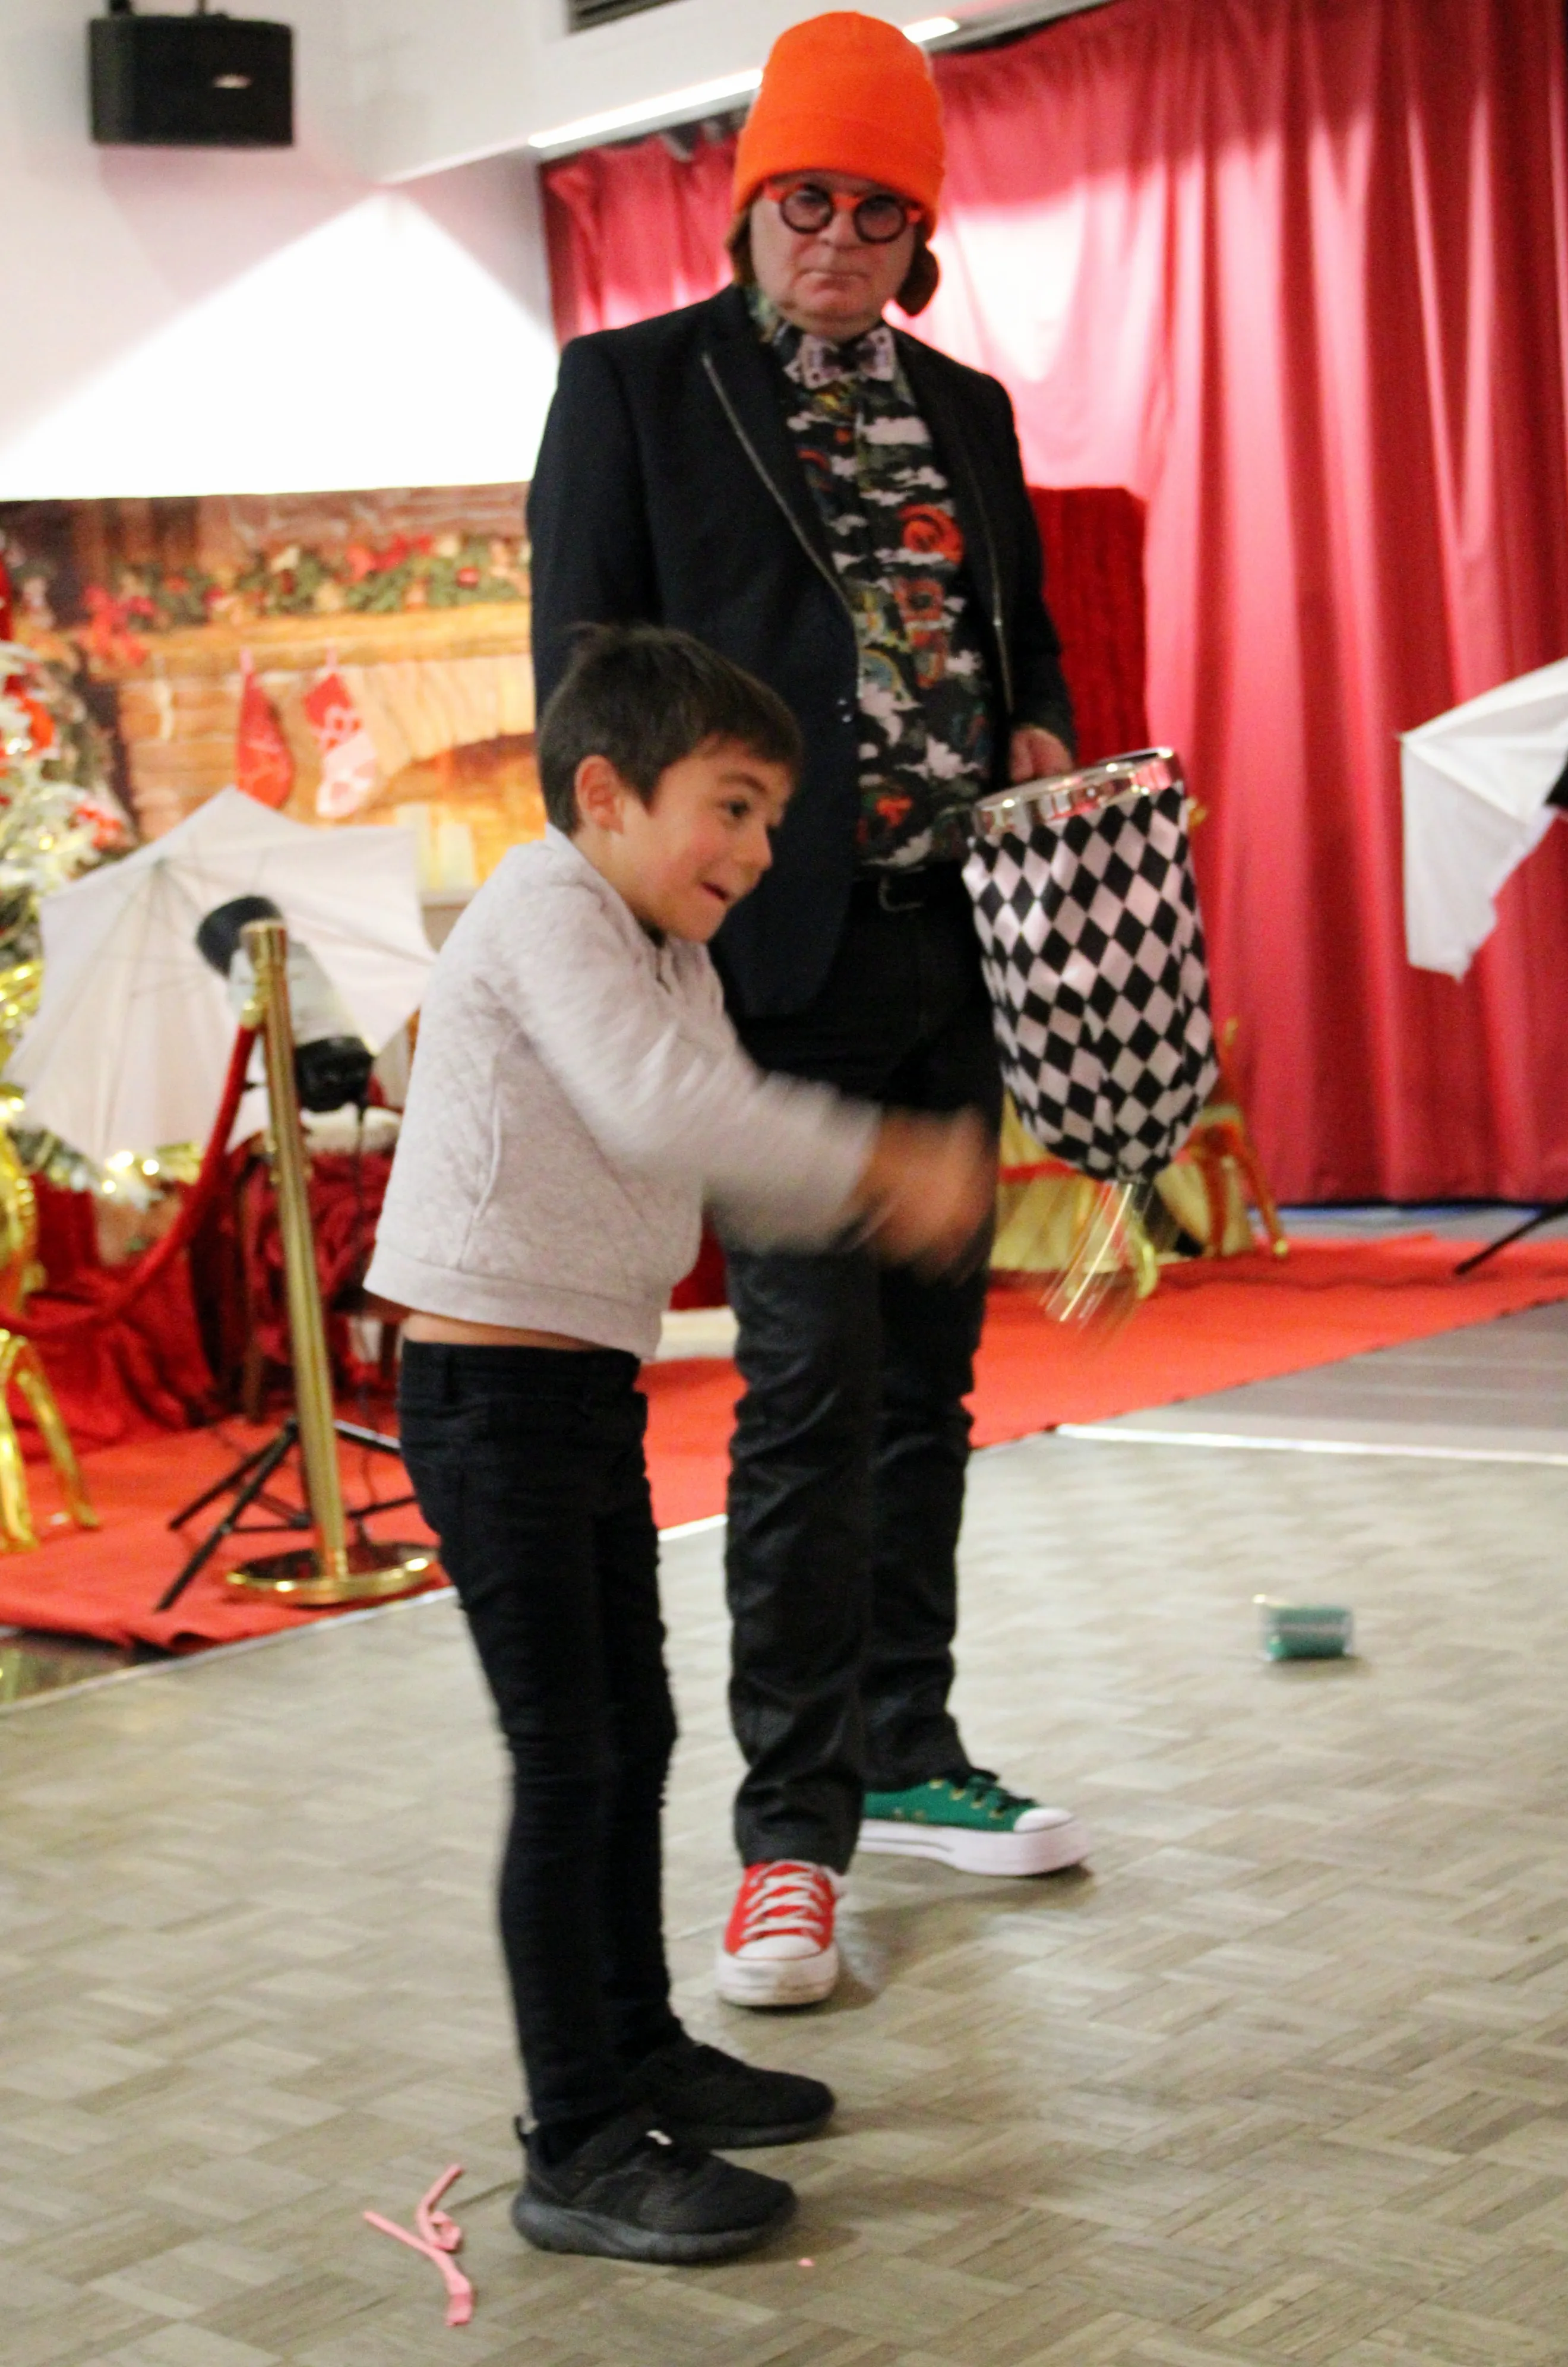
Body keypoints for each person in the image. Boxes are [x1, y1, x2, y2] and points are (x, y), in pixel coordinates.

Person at [529, 9, 1092, 2013]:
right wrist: (660, 931)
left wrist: (1041, 731)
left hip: (963, 952)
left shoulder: (966, 408)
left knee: (932, 1391)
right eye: (805, 201)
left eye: (876, 209)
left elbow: (1034, 650)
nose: (837, 237)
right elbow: (582, 710)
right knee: (804, 1396)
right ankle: (790, 1846)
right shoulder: (634, 390)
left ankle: (910, 1743)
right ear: (748, 205)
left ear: (916, 232)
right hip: (771, 964)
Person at [367, 626, 992, 2264]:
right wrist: (885, 1160)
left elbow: (714, 1135)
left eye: (774, 818)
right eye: (732, 805)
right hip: (488, 1400)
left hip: (575, 1391)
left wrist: (878, 1192)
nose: (760, 851)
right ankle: (575, 2138)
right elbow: (663, 1111)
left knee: (630, 1735)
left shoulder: (660, 941)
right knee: (569, 1763)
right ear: (606, 790)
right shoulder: (546, 906)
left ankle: (638, 2049)